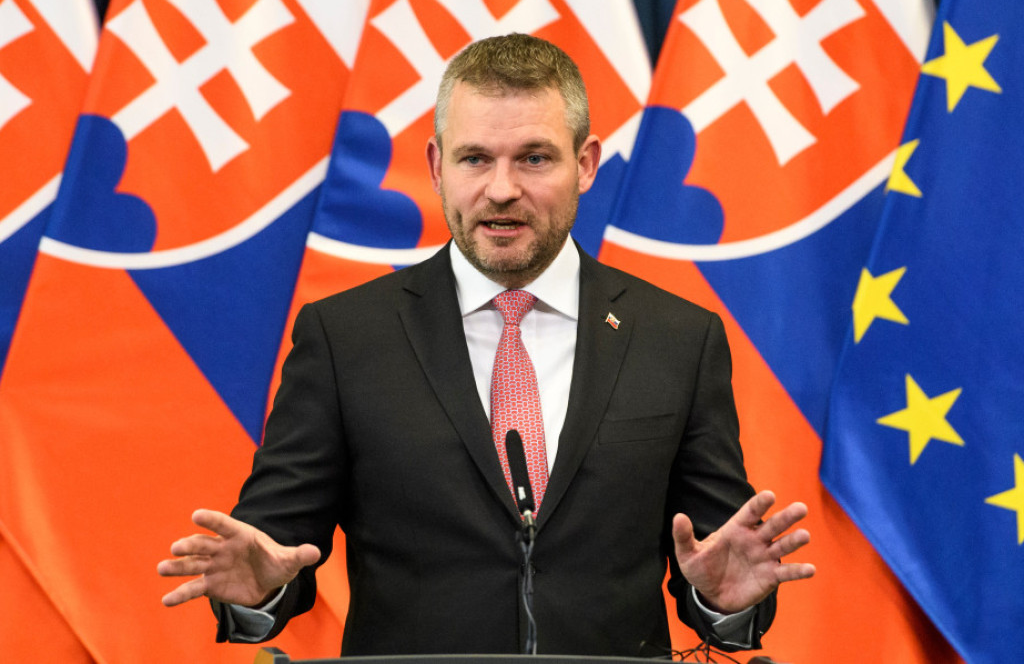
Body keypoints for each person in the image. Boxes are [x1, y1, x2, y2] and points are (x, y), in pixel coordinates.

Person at [158, 33, 814, 657]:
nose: (501, 189)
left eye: (534, 158)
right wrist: (258, 591)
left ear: (585, 164)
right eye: (475, 159)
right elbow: (275, 551)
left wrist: (724, 605)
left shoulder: (678, 339)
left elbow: (717, 559)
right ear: (436, 167)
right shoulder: (345, 338)